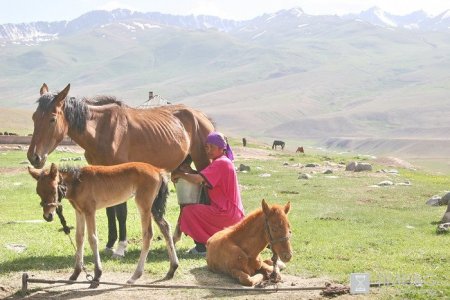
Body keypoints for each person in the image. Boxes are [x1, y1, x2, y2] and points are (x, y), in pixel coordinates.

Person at [171, 132, 245, 255]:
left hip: (225, 213)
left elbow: (198, 180)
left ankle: (202, 248)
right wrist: (190, 171)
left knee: (188, 212)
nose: (208, 150)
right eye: (206, 147)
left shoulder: (221, 163)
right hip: (231, 212)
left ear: (221, 148)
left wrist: (180, 174)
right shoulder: (222, 161)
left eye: (212, 147)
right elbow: (204, 178)